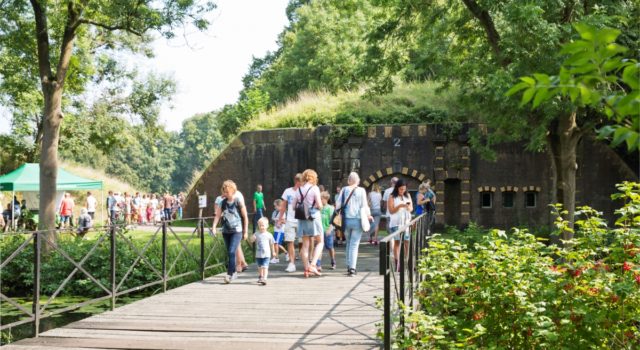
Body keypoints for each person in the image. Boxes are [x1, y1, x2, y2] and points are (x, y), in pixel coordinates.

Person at [212, 180, 249, 284]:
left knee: (232, 251)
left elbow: (245, 217)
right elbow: (218, 215)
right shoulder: (222, 202)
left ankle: (229, 274)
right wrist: (214, 227)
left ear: (233, 191)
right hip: (226, 231)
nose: (225, 193)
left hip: (237, 231)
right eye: (224, 191)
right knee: (230, 252)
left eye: (227, 191)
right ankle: (234, 273)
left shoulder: (238, 202)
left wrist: (245, 231)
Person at [336, 172, 372, 276]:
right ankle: (352, 268)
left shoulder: (344, 190)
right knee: (354, 244)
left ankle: (348, 265)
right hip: (357, 220)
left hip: (346, 221)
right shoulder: (361, 190)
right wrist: (368, 215)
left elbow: (338, 204)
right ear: (358, 181)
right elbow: (364, 205)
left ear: (349, 180)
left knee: (349, 243)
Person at [293, 169, 324, 277]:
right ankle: (313, 265)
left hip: (302, 219)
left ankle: (306, 269)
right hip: (313, 217)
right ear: (313, 177)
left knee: (305, 245)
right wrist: (315, 206)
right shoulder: (314, 188)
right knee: (320, 242)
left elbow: (293, 207)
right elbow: (320, 205)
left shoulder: (298, 190)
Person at [388, 178, 413, 271]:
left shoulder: (408, 195)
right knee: (397, 242)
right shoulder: (392, 197)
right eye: (401, 189)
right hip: (396, 223)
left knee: (407, 242)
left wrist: (407, 207)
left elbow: (411, 209)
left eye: (404, 189)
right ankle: (397, 263)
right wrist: (399, 206)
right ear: (397, 188)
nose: (402, 191)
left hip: (406, 222)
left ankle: (409, 262)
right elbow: (391, 211)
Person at [278, 173, 302, 273]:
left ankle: (305, 260)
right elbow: (283, 206)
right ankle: (292, 263)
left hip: (301, 220)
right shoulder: (287, 191)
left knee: (303, 242)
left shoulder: (304, 191)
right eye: (302, 182)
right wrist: (280, 219)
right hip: (290, 220)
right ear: (297, 182)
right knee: (290, 241)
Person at [250, 217, 276, 285]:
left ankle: (264, 278)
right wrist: (252, 238)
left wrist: (273, 251)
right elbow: (251, 241)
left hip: (266, 254)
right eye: (260, 225)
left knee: (265, 266)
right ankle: (261, 276)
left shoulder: (269, 235)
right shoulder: (256, 234)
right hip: (258, 254)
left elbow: (272, 244)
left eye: (263, 225)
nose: (261, 227)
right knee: (259, 267)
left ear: (267, 226)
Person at [318, 191, 336, 270]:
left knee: (330, 247)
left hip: (328, 230)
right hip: (319, 230)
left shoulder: (330, 208)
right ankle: (318, 264)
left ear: (326, 199)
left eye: (321, 199)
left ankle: (333, 261)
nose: (320, 200)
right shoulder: (319, 208)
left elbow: (333, 220)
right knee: (319, 247)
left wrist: (330, 229)